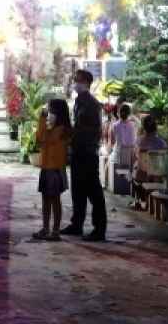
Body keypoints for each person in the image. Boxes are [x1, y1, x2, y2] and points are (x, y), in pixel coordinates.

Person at [60, 69, 107, 241]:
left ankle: (99, 228)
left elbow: (95, 129)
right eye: (74, 80)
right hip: (78, 150)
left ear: (87, 83)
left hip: (88, 151)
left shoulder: (92, 104)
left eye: (78, 80)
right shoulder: (78, 102)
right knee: (78, 190)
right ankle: (76, 224)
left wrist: (74, 131)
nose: (75, 83)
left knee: (93, 191)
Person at [32, 99, 72, 241]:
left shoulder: (61, 129)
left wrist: (41, 120)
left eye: (50, 111)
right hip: (47, 166)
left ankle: (55, 230)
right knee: (46, 199)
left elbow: (43, 138)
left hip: (55, 168)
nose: (48, 113)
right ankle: (45, 228)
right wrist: (43, 123)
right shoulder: (53, 127)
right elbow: (39, 139)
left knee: (55, 199)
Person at [130, 115, 168, 209]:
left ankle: (143, 200)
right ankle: (149, 201)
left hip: (141, 176)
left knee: (138, 170)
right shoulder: (162, 143)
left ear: (144, 128)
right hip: (157, 176)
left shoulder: (138, 141)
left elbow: (134, 157)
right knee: (155, 173)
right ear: (155, 127)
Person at [107, 102, 138, 194]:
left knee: (108, 162)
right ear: (129, 113)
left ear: (118, 113)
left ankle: (105, 183)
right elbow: (135, 140)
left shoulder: (114, 126)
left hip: (118, 154)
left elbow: (112, 143)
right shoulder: (133, 125)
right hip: (131, 155)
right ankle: (130, 180)